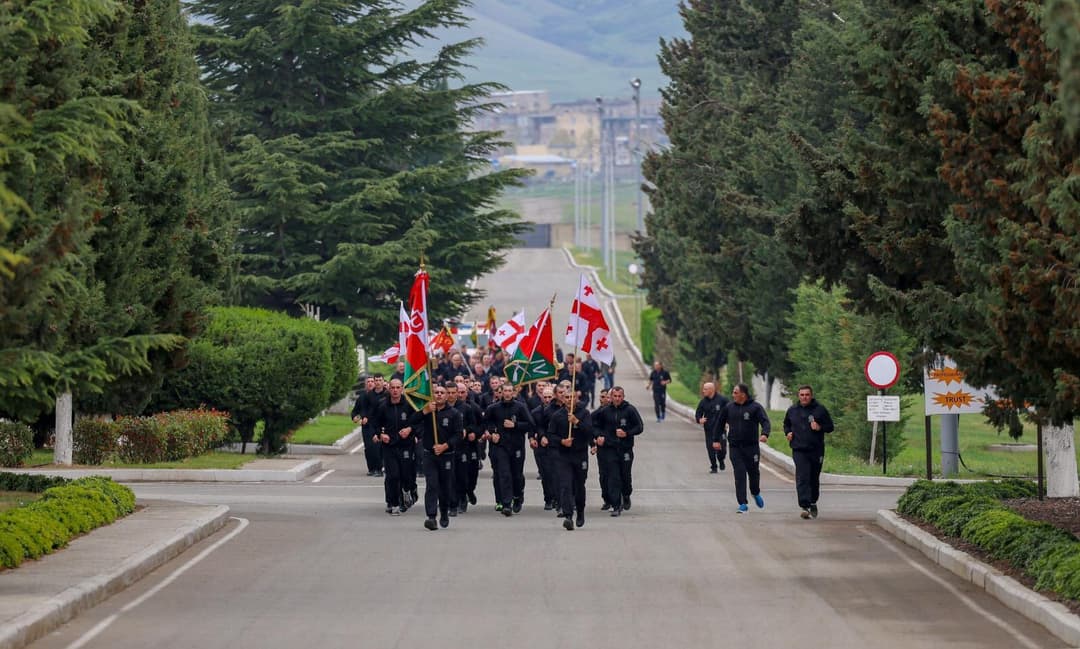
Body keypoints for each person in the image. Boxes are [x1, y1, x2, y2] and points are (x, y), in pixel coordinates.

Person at [714, 383, 770, 513]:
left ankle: (755, 492)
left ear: (743, 395)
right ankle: (743, 503)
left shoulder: (755, 407)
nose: (733, 395)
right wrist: (716, 440)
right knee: (739, 474)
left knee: (753, 472)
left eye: (735, 392)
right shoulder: (729, 407)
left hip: (751, 447)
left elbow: (765, 421)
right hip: (735, 447)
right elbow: (719, 423)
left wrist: (765, 434)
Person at [543, 384, 592, 530]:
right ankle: (568, 516)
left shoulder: (584, 414)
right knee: (565, 485)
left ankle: (580, 511)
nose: (570, 400)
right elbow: (551, 435)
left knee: (579, 485)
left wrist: (577, 422)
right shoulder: (557, 416)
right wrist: (562, 441)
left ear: (577, 399)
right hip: (564, 456)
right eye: (567, 397)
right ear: (562, 399)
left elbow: (590, 431)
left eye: (572, 397)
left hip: (580, 455)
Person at [783, 385, 835, 519]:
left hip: (816, 450)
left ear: (811, 396)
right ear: (798, 396)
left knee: (813, 477)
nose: (804, 397)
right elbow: (786, 424)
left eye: (807, 395)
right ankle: (804, 506)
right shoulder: (792, 410)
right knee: (802, 476)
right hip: (799, 449)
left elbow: (830, 427)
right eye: (802, 395)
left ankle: (813, 501)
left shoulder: (820, 410)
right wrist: (788, 432)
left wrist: (819, 427)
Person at [417, 385, 462, 530]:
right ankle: (431, 516)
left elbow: (458, 434)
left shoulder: (454, 413)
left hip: (447, 456)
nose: (439, 395)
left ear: (446, 396)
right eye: (436, 392)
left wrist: (445, 446)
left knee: (445, 487)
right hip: (429, 455)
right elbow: (412, 421)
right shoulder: (428, 411)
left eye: (442, 393)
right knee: (432, 485)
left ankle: (444, 512)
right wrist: (425, 412)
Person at [484, 383, 533, 515]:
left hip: (516, 446)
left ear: (514, 393)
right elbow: (486, 422)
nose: (507, 393)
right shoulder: (493, 408)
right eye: (504, 391)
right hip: (500, 446)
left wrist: (515, 425)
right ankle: (506, 504)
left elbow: (530, 424)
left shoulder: (520, 407)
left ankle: (517, 497)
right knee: (504, 474)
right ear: (500, 392)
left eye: (510, 391)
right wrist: (492, 432)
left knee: (516, 475)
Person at [595, 386, 644, 515]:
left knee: (625, 476)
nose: (617, 399)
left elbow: (639, 427)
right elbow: (593, 424)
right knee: (613, 477)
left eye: (619, 396)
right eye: (614, 396)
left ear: (623, 397)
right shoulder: (604, 411)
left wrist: (627, 433)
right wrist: (598, 436)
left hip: (625, 449)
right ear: (611, 397)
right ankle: (616, 506)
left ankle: (626, 494)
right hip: (610, 449)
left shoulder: (630, 410)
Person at [373, 379, 417, 515]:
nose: (395, 390)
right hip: (389, 446)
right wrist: (380, 435)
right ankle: (394, 503)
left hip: (406, 446)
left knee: (406, 475)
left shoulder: (409, 405)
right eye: (393, 388)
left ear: (402, 389)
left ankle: (409, 490)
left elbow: (418, 422)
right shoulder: (382, 406)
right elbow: (375, 423)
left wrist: (409, 429)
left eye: (398, 387)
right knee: (393, 476)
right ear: (389, 389)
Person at [351, 376, 384, 476]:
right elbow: (357, 411)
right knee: (369, 448)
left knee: (378, 447)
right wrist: (356, 418)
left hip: (378, 425)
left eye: (372, 381)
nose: (370, 383)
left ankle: (379, 468)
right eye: (368, 382)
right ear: (365, 384)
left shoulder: (383, 395)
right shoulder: (363, 397)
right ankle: (371, 468)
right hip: (367, 427)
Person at [696, 382, 729, 473]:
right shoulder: (703, 402)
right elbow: (698, 413)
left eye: (705, 389)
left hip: (721, 430)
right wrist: (700, 420)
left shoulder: (723, 400)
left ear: (711, 390)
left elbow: (730, 410)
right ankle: (714, 467)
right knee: (710, 448)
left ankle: (721, 460)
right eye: (703, 389)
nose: (703, 391)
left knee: (722, 449)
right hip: (709, 430)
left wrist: (728, 421)